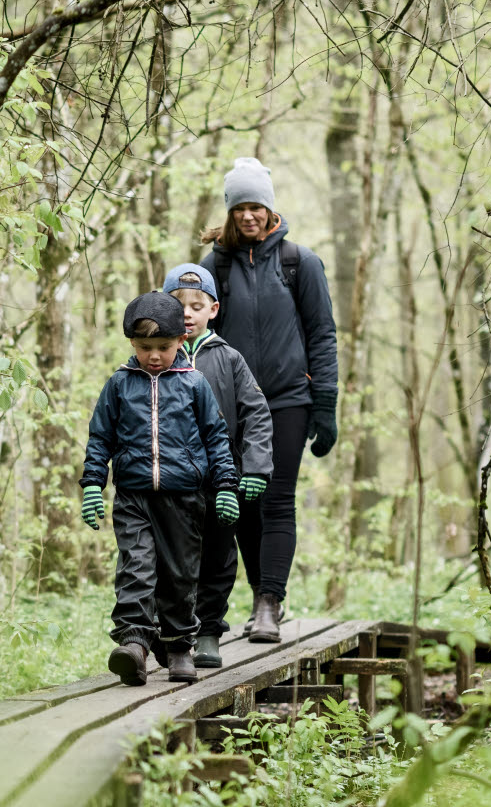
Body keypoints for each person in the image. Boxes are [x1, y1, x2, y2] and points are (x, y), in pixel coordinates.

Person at [199, 157, 339, 643]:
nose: (249, 216)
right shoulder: (213, 266)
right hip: (229, 407)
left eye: (256, 206)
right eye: (240, 208)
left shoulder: (300, 262)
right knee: (240, 500)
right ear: (231, 211)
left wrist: (326, 402)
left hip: (287, 401)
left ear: (269, 208)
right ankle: (262, 592)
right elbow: (194, 333)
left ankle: (268, 603)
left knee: (277, 500)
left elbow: (322, 334)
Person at [80, 292, 240, 685]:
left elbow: (216, 437)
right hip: (133, 496)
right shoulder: (119, 385)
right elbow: (100, 438)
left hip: (184, 498)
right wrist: (91, 485)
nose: (154, 356)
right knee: (135, 568)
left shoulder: (194, 384)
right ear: (132, 344)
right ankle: (134, 643)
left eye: (163, 347)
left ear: (181, 342)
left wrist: (225, 486)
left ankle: (178, 646)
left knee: (179, 574)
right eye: (145, 348)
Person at [161, 263, 272, 667]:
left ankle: (209, 631)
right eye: (178, 304)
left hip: (223, 482)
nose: (187, 312)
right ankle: (174, 633)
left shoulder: (230, 359)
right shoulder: (155, 358)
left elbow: (256, 414)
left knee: (218, 559)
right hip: (170, 485)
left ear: (214, 309)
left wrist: (256, 467)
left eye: (197, 305)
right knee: (172, 561)